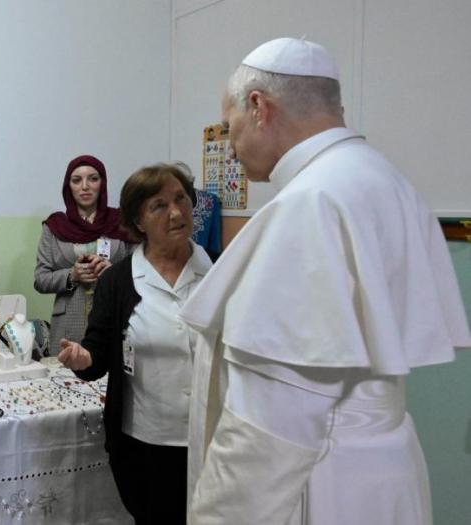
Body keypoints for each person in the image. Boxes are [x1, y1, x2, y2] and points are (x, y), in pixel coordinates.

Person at [178, 38, 471, 524]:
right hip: (383, 476)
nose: (230, 147)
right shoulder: (384, 180)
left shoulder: (309, 204)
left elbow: (268, 431)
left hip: (321, 484)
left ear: (258, 107)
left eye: (230, 130)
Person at [59, 163, 211, 523]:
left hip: (212, 440)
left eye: (181, 199)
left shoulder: (220, 272)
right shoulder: (119, 282)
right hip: (146, 445)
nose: (176, 212)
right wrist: (83, 358)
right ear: (139, 221)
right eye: (159, 205)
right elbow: (97, 355)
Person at [35, 154, 133, 345]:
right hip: (68, 324)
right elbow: (40, 279)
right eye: (77, 180)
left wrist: (114, 272)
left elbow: (141, 271)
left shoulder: (121, 222)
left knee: (112, 372)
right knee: (67, 374)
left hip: (114, 317)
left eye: (93, 179)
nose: (85, 186)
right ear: (68, 186)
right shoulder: (55, 226)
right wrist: (72, 275)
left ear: (102, 184)